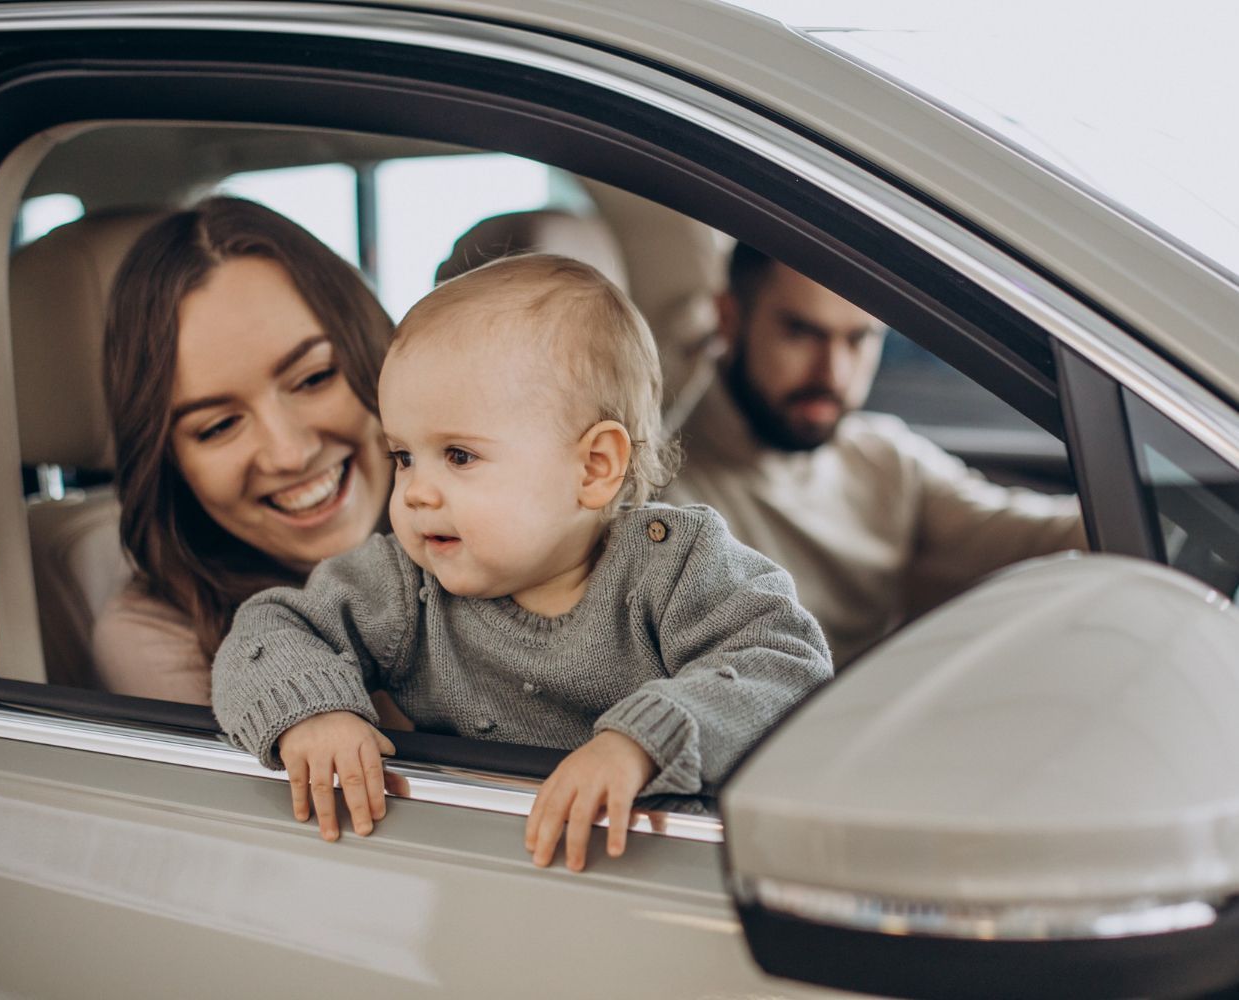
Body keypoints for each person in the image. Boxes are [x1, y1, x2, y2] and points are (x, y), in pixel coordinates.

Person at [212, 254, 832, 871]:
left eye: (458, 456)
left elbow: (785, 661)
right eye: (403, 456)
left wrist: (642, 739)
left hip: (650, 866)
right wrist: (314, 710)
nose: (416, 492)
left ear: (593, 467)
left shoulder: (674, 565)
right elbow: (269, 628)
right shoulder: (407, 585)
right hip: (475, 865)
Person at [667, 242, 1087, 665]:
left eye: (859, 339)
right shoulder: (667, 503)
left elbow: (1038, 533)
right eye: (800, 333)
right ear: (729, 319)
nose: (833, 373)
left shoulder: (883, 458)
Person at [95, 196, 407, 730]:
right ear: (169, 461)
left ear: (377, 352)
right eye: (218, 426)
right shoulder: (161, 638)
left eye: (314, 378)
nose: (291, 452)